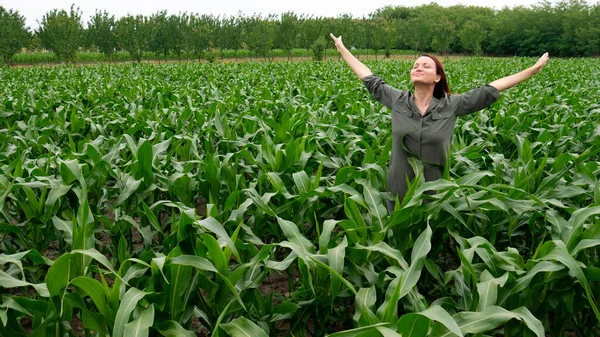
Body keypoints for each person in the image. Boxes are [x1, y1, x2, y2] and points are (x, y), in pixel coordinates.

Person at [329, 33, 549, 214]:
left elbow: (490, 89)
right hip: (399, 191)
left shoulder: (451, 105)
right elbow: (369, 79)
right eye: (415, 65)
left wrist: (532, 70)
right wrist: (343, 49)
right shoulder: (397, 100)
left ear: (437, 78)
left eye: (425, 66)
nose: (418, 67)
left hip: (435, 192)